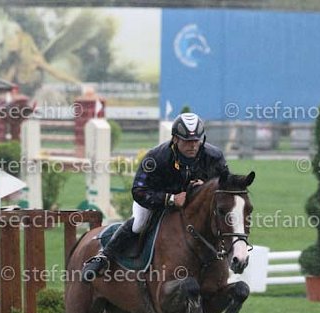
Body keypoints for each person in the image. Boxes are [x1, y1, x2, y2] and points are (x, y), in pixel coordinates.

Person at [82, 112, 230, 281]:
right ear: (175, 139)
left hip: (193, 204)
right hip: (154, 200)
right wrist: (170, 199)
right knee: (139, 224)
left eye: (196, 140)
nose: (193, 146)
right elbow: (138, 191)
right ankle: (104, 256)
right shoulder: (156, 158)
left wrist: (205, 185)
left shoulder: (214, 156)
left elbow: (226, 185)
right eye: (188, 141)